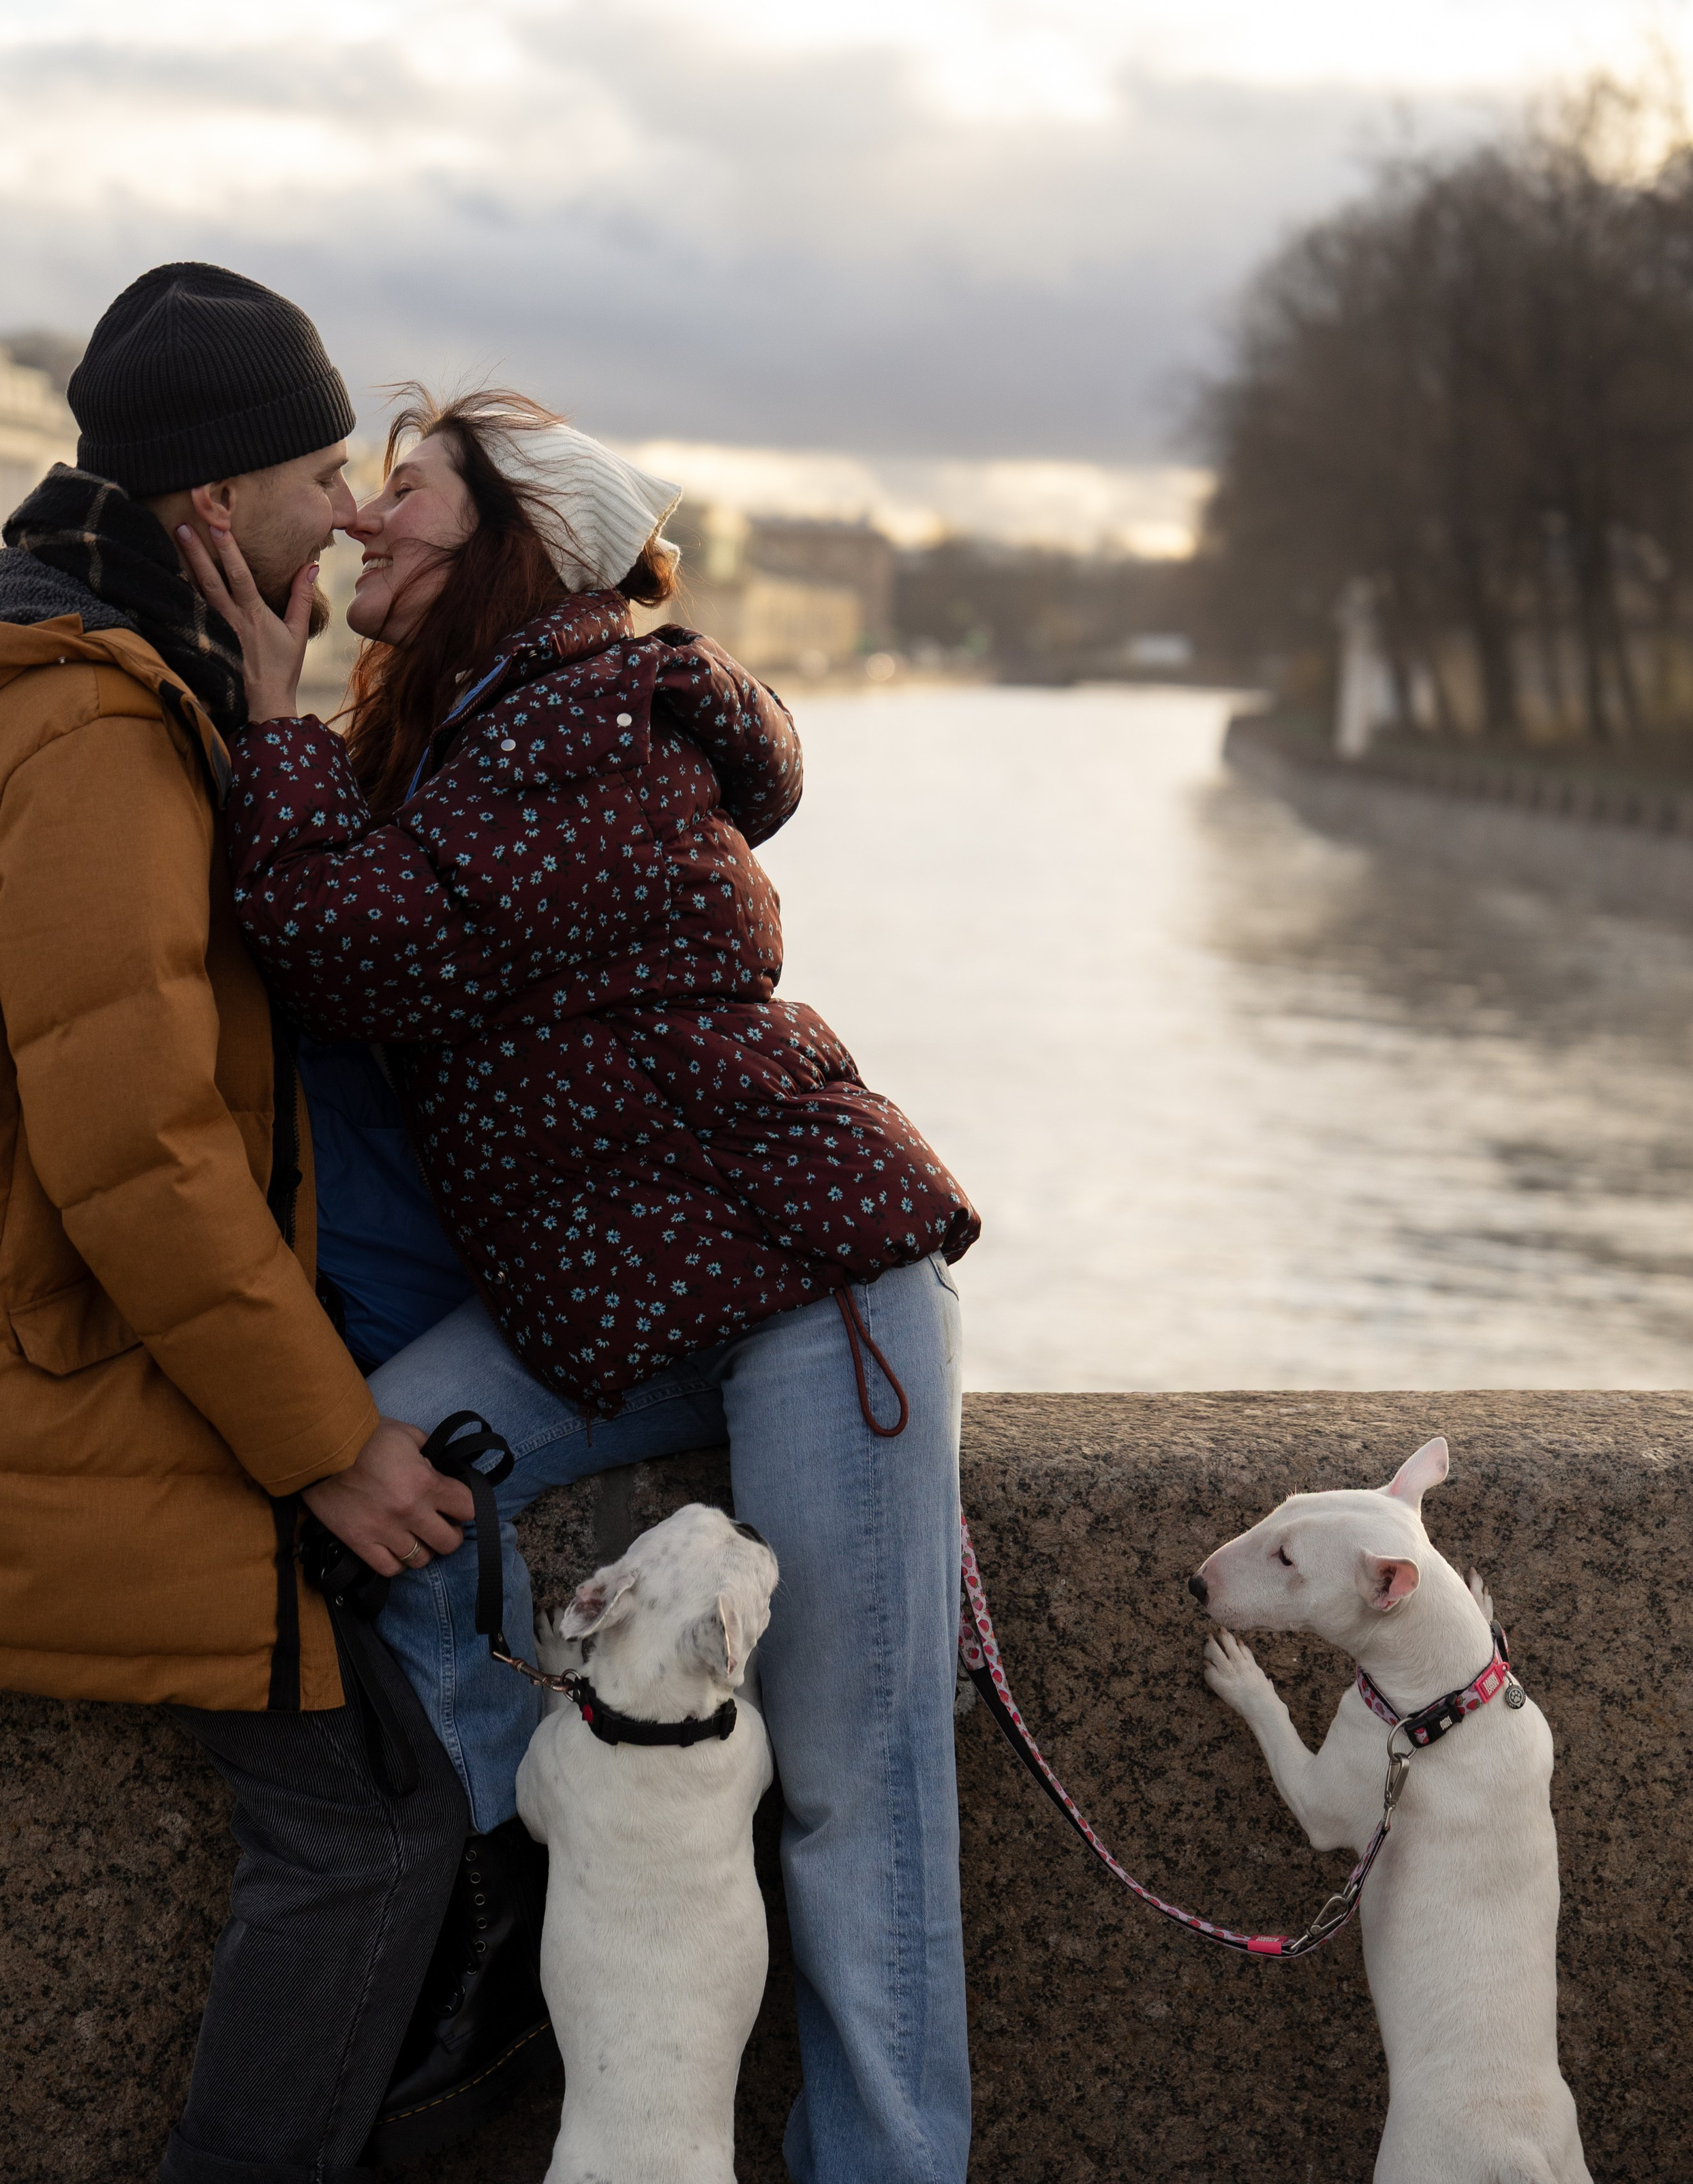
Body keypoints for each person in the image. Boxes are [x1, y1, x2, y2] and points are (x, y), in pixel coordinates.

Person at [186, 386, 983, 2184]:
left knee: (859, 1793)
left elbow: (370, 946)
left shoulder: (596, 711)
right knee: (367, 1484)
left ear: (514, 542)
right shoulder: (470, 729)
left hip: (805, 1274)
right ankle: (551, 1848)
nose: (371, 521)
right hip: (622, 1303)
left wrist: (264, 716)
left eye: (409, 496)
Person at [0, 262, 492, 2184]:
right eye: (317, 470)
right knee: (375, 1818)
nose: (355, 511)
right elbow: (140, 1147)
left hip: (82, 1354)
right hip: (71, 1392)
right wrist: (332, 1450)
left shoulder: (103, 664)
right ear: (213, 511)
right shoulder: (100, 722)